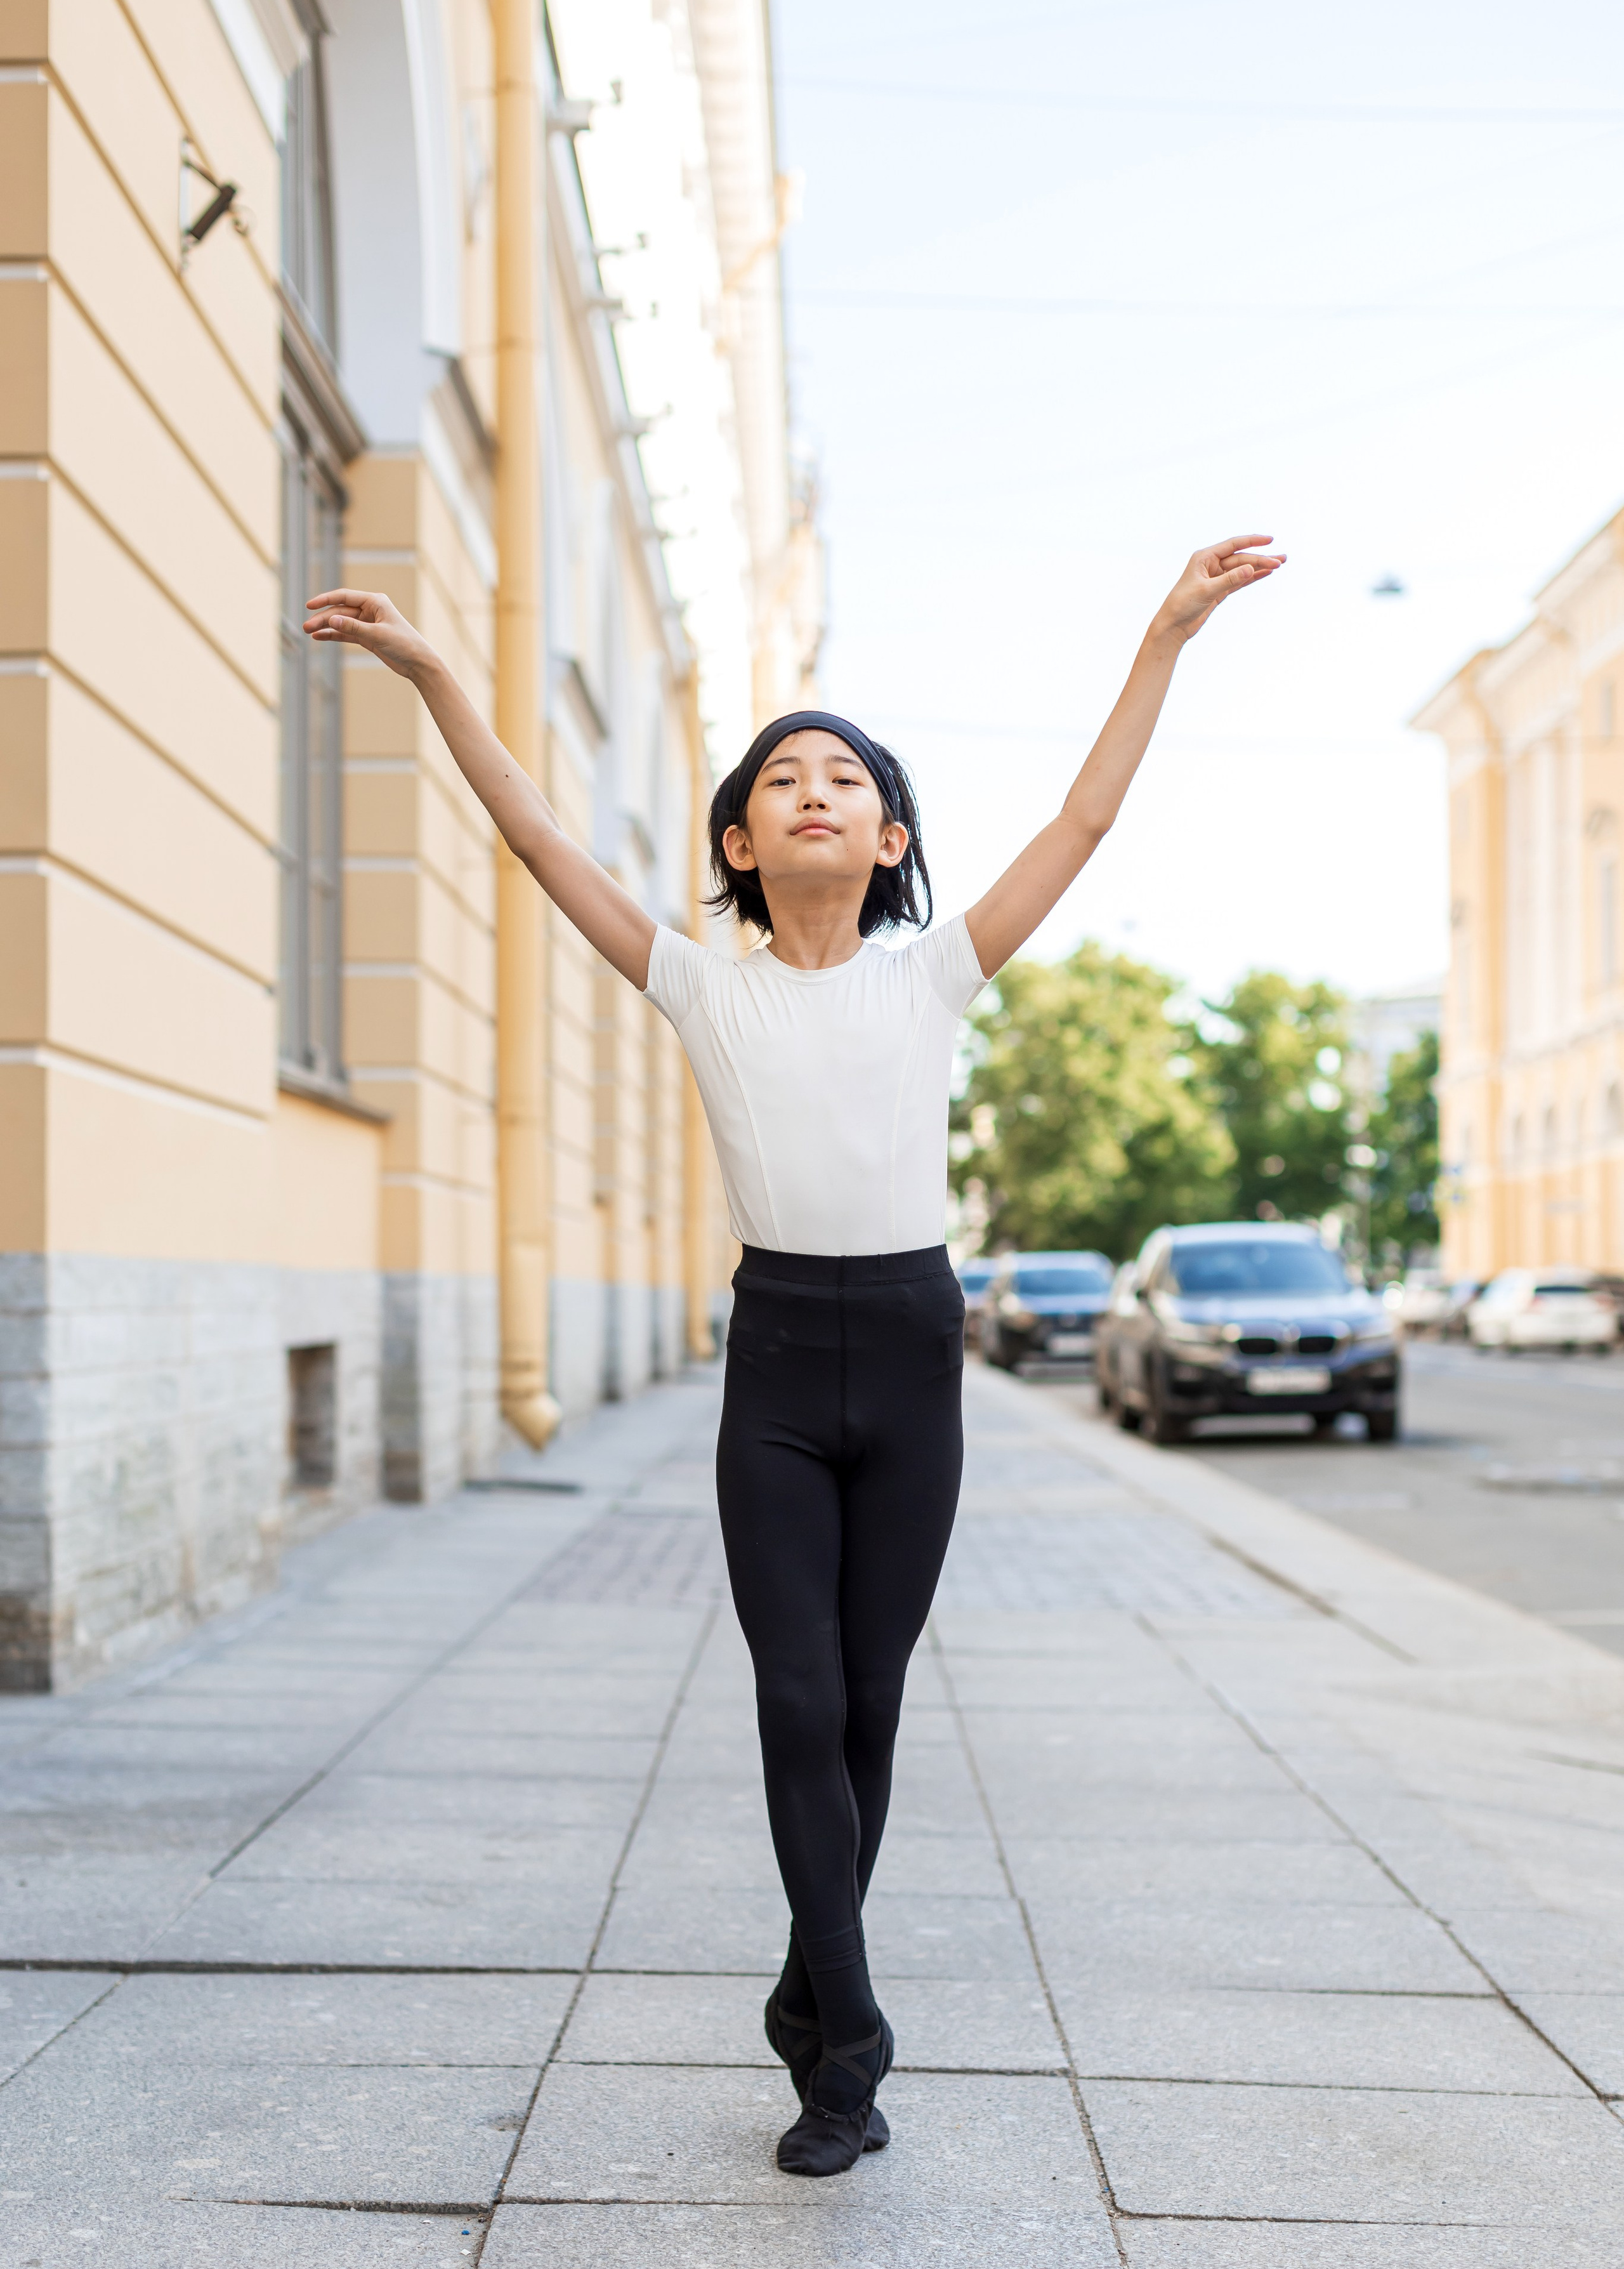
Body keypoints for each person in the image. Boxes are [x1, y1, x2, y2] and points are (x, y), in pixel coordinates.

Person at [304, 533, 1284, 2178]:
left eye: (846, 778)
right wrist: (435, 679)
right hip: (776, 1362)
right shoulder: (697, 983)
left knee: (873, 1704)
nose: (813, 789)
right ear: (741, 843)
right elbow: (538, 831)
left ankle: (805, 1989)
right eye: (780, 779)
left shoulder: (939, 977)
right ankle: (853, 2047)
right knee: (794, 1692)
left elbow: (1085, 819)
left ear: (889, 837)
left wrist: (1165, 634)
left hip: (910, 1349)